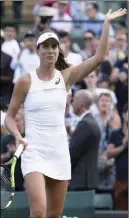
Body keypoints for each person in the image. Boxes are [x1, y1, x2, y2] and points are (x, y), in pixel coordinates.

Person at [5, 8, 126, 218]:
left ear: (58, 51)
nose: (50, 50)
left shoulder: (66, 76)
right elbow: (9, 117)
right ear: (38, 50)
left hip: (59, 152)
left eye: (54, 47)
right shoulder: (25, 81)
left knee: (54, 215)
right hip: (33, 151)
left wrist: (106, 24)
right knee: (39, 212)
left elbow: (99, 58)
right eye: (46, 47)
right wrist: (17, 136)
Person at [69, 90, 100, 191]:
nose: (72, 102)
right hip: (87, 180)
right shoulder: (91, 122)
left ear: (81, 103)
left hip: (81, 181)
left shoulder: (84, 124)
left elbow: (73, 152)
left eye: (74, 99)